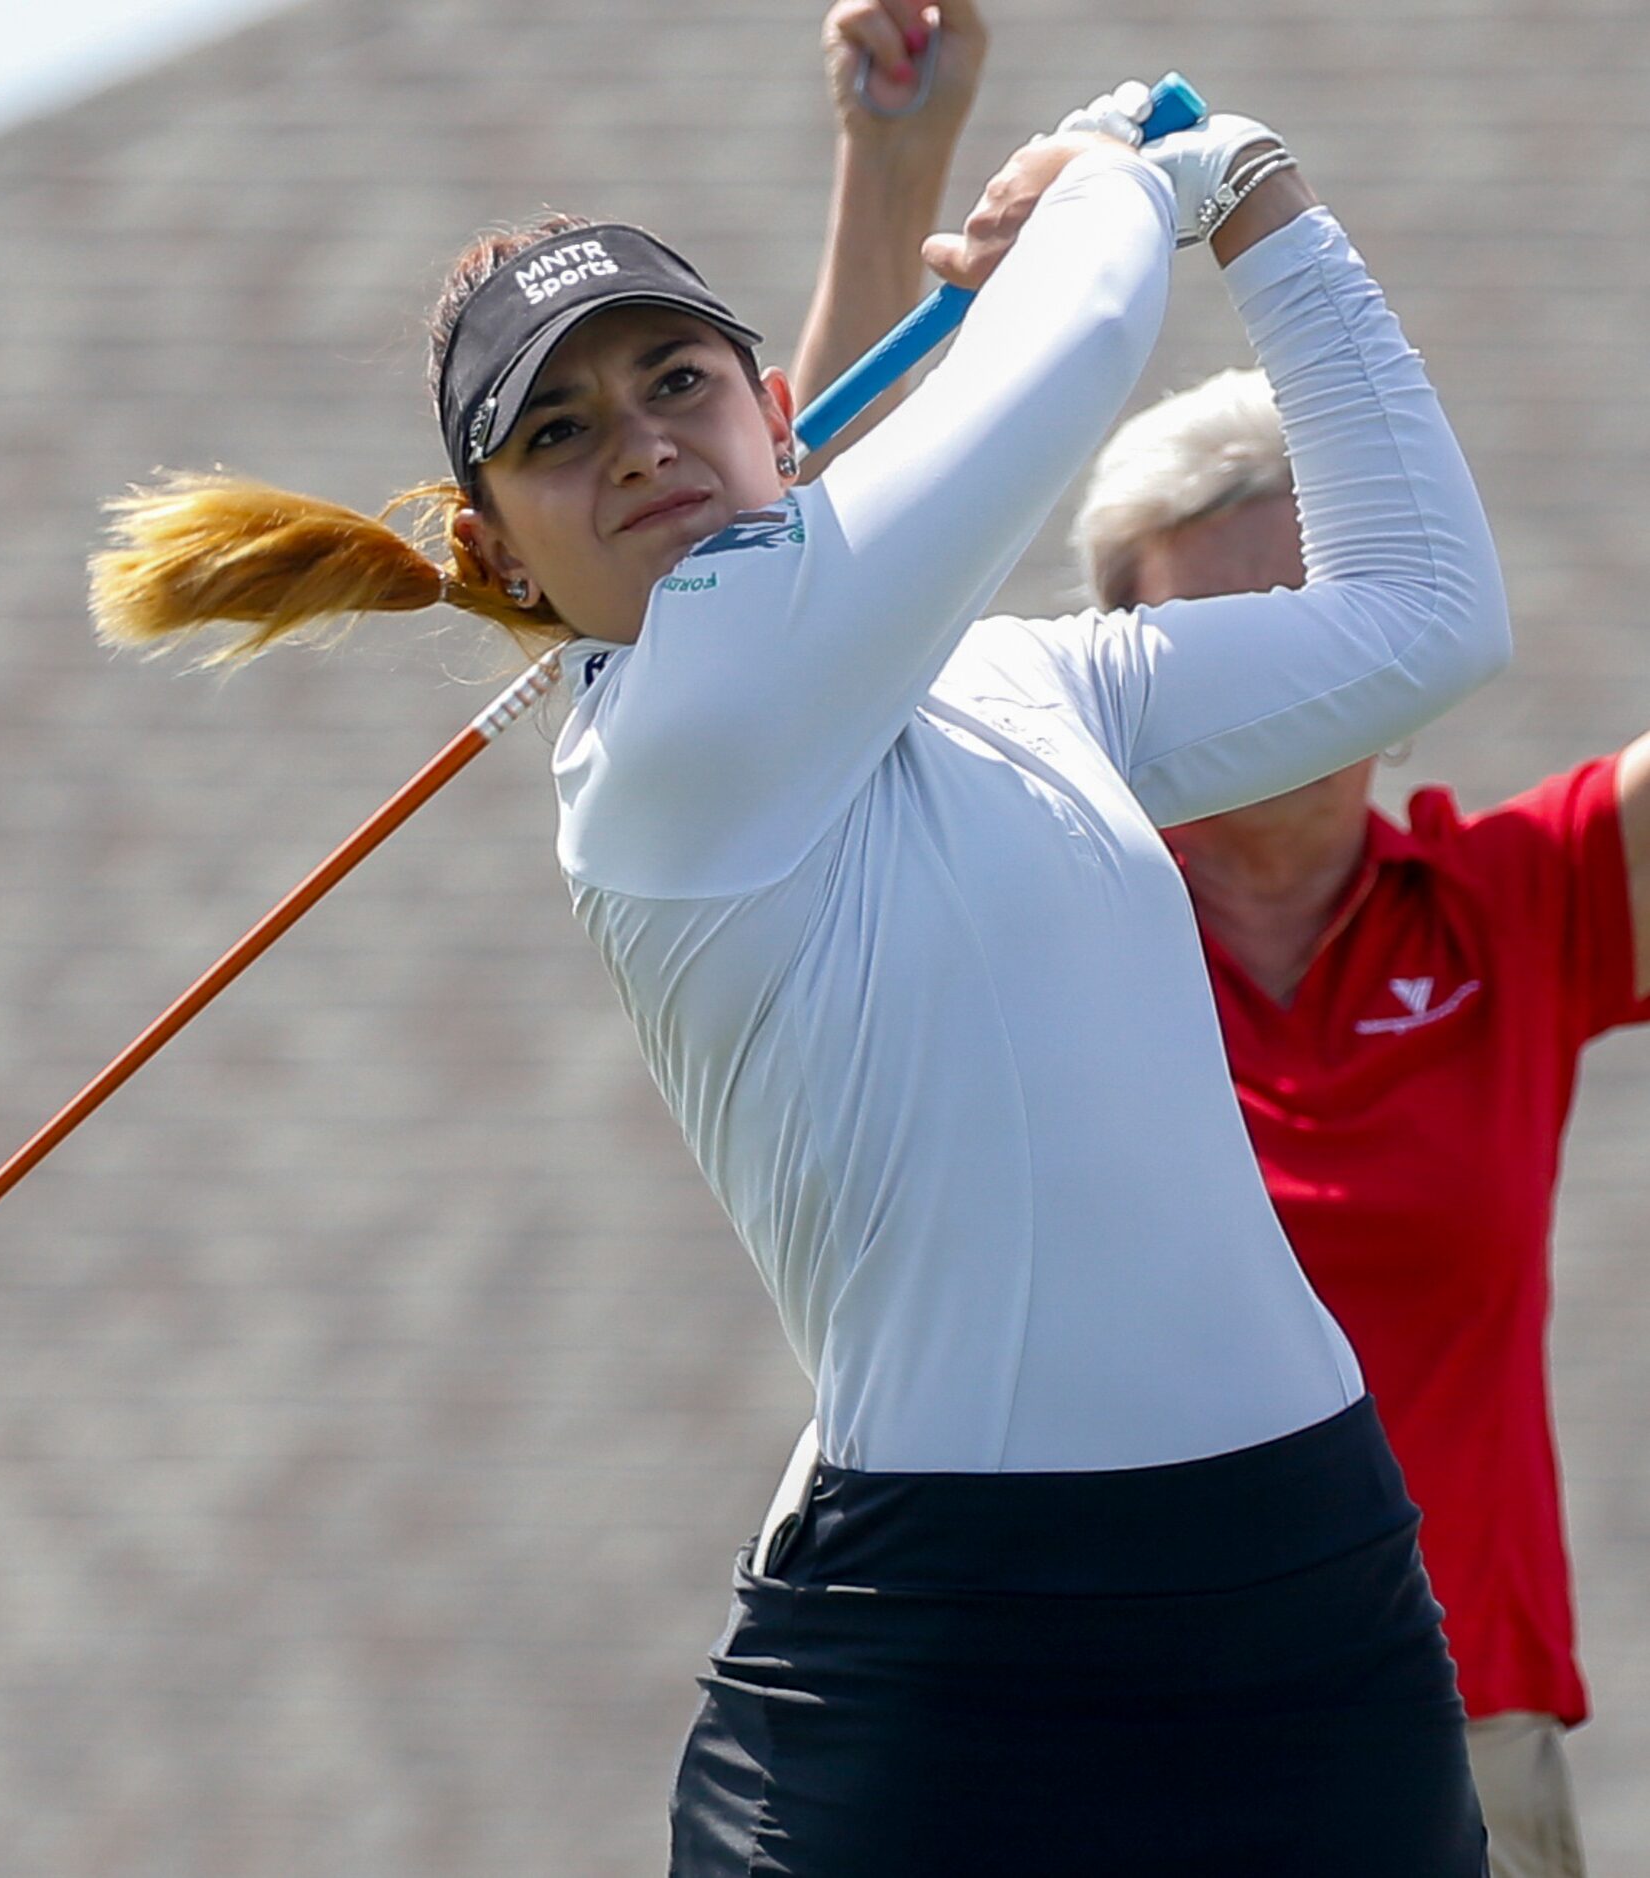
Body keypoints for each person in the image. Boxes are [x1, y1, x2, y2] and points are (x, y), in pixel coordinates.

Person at [89, 69, 1510, 1875]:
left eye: (675, 382)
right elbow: (1064, 348)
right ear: (493, 551)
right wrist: (1118, 176)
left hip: (1308, 1598)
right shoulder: (675, 743)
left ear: (777, 413)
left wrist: (1261, 201)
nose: (639, 445)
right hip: (950, 1666)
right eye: (557, 435)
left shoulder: (1017, 687)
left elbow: (1425, 617)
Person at [794, 18, 1649, 1876]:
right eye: (1224, 626)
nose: (1290, 662)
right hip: (1103, 1732)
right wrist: (898, 173)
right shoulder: (1023, 892)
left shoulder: (1524, 895)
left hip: (1459, 1736)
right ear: (1123, 653)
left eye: (1325, 604)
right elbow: (803, 599)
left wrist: (1260, 205)